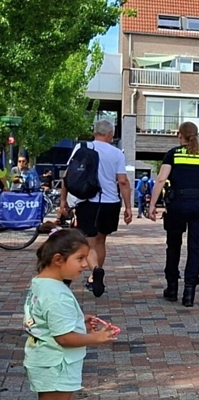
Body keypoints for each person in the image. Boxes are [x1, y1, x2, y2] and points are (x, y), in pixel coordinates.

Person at [22, 227, 119, 400]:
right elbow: (64, 337)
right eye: (80, 259)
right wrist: (96, 338)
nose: (85, 265)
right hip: (55, 363)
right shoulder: (56, 293)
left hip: (52, 361)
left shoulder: (43, 283)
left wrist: (79, 323)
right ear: (58, 260)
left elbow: (50, 324)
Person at [148, 122, 199, 308]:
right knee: (195, 248)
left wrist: (152, 205)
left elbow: (160, 179)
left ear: (180, 135)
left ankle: (172, 288)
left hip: (177, 205)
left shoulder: (173, 154)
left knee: (173, 246)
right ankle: (189, 292)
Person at [59, 120, 133, 297]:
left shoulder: (81, 148)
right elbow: (122, 181)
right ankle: (94, 278)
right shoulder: (117, 153)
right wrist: (129, 206)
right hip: (111, 203)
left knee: (89, 242)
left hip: (88, 201)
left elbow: (68, 175)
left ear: (94, 133)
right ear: (110, 134)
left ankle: (95, 271)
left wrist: (63, 200)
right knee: (101, 240)